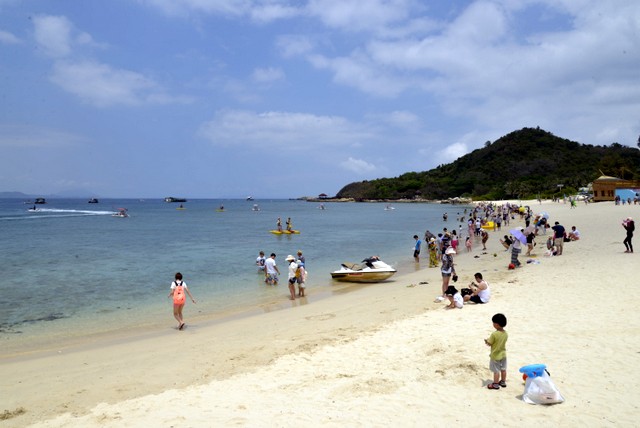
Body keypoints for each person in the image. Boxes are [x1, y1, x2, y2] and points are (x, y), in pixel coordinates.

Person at [485, 313, 508, 390]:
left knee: (496, 371)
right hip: (503, 354)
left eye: (493, 323)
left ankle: (495, 384)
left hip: (495, 355)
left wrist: (486, 341)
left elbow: (489, 343)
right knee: (503, 369)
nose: (493, 324)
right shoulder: (506, 333)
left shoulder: (494, 334)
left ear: (497, 324)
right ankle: (503, 382)